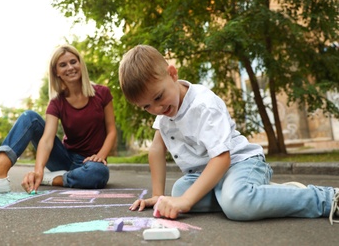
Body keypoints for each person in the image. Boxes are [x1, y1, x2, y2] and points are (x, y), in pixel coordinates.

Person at [118, 44, 339, 225]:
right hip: (209, 173)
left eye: (158, 97)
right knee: (179, 190)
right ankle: (255, 194)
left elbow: (222, 158)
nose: (157, 108)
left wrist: (186, 201)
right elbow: (157, 149)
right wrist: (159, 195)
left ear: (173, 74)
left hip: (240, 163)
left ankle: (325, 198)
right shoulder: (165, 111)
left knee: (237, 205)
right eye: (146, 106)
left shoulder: (203, 105)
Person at [0, 44, 117, 195]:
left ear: (81, 64)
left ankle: (54, 179)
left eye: (73, 62)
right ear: (56, 72)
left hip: (92, 162)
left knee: (98, 174)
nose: (70, 67)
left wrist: (100, 155)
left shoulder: (102, 93)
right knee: (29, 117)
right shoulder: (56, 102)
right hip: (64, 158)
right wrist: (38, 170)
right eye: (63, 65)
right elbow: (46, 140)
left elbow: (111, 130)